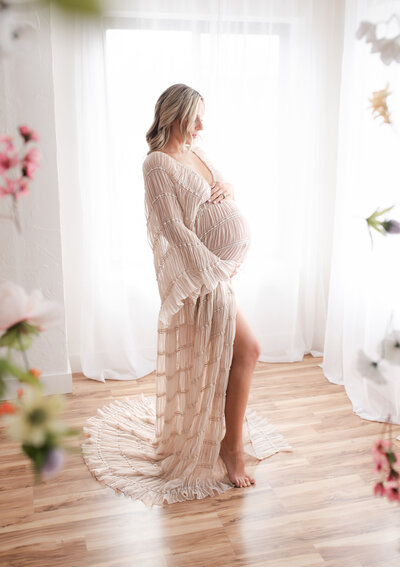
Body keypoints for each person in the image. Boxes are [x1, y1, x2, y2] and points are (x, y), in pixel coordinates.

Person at [81, 83, 290, 508]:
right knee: (248, 350)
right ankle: (229, 449)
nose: (201, 125)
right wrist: (214, 270)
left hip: (220, 275)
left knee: (233, 357)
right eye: (196, 117)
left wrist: (228, 189)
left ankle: (224, 441)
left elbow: (221, 183)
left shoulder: (198, 151)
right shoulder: (156, 164)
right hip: (202, 278)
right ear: (176, 114)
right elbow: (171, 228)